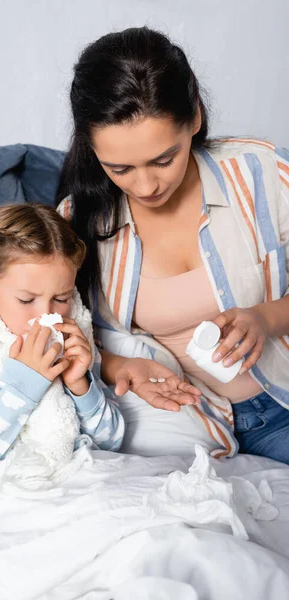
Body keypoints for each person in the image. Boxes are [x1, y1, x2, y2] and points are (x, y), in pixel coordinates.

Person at [57, 26, 289, 463]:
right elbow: (57, 336)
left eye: (164, 159)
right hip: (188, 424)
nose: (145, 186)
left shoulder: (262, 174)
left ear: (195, 118)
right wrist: (119, 367)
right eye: (120, 168)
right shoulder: (78, 222)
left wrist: (267, 317)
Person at [0, 203, 124, 497]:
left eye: (61, 298)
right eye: (26, 300)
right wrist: (22, 388)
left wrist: (80, 385)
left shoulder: (71, 337)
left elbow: (111, 444)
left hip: (82, 486)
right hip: (14, 499)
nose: (46, 314)